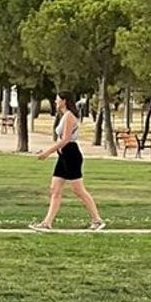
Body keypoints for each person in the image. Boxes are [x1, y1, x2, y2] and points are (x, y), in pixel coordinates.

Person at [31, 95, 105, 232]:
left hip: (71, 154)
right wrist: (51, 149)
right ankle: (47, 222)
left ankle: (97, 220)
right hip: (63, 155)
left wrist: (48, 152)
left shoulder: (69, 116)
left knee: (78, 189)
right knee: (55, 189)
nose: (55, 101)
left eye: (57, 99)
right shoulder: (64, 116)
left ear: (64, 101)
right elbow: (61, 140)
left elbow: (65, 139)